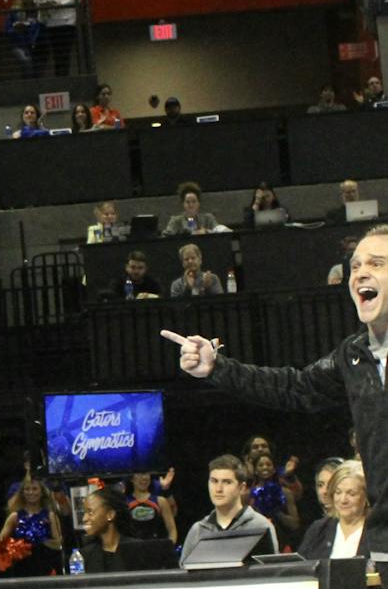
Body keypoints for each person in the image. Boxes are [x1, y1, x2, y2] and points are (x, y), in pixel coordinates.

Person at [165, 224, 388, 524]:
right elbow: (295, 387)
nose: (360, 273)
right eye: (355, 266)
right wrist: (218, 367)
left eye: (376, 263)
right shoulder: (353, 354)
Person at [179, 455, 280, 566]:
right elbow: (184, 576)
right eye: (214, 481)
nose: (218, 489)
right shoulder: (197, 530)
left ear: (241, 488)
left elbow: (272, 573)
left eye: (227, 482)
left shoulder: (261, 525)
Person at [298, 460, 378, 558]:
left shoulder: (378, 532)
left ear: (366, 497)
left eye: (351, 494)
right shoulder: (318, 530)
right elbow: (302, 568)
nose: (343, 500)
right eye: (338, 492)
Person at [0, 473, 64, 577]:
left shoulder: (50, 516)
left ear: (41, 492)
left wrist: (41, 541)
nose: (31, 492)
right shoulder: (14, 517)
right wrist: (16, 548)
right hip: (21, 570)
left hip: (45, 568)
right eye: (27, 489)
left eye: (34, 489)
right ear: (22, 492)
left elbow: (59, 544)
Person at [77, 488, 150, 573]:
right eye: (84, 513)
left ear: (110, 515)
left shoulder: (138, 550)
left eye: (90, 512)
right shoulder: (85, 555)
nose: (84, 519)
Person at [35, 0, 77, 76]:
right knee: (56, 55)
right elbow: (41, 17)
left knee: (64, 53)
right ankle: (60, 78)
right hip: (51, 26)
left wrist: (58, 3)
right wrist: (43, 10)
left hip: (66, 23)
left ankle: (63, 78)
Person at [126, 469, 178, 542]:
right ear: (131, 478)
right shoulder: (124, 502)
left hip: (155, 548)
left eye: (146, 473)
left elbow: (172, 529)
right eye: (140, 473)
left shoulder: (160, 501)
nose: (144, 477)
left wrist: (169, 548)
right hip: (133, 549)